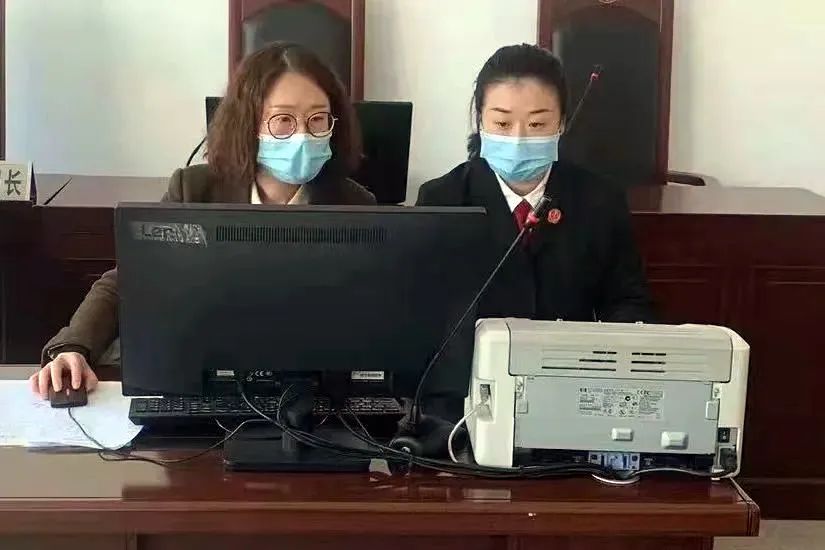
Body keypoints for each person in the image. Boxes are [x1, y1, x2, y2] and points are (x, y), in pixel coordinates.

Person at [32, 42, 375, 399]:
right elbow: (130, 281)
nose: (303, 135)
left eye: (317, 119)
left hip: (311, 392)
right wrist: (73, 346)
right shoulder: (194, 189)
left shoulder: (355, 204)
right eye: (283, 120)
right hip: (206, 381)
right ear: (248, 124)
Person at [417, 43, 654, 325]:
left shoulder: (600, 200)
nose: (519, 139)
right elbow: (420, 306)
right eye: (502, 124)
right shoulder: (442, 199)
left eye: (537, 124)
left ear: (561, 123)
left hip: (567, 352)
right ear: (480, 121)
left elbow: (628, 300)